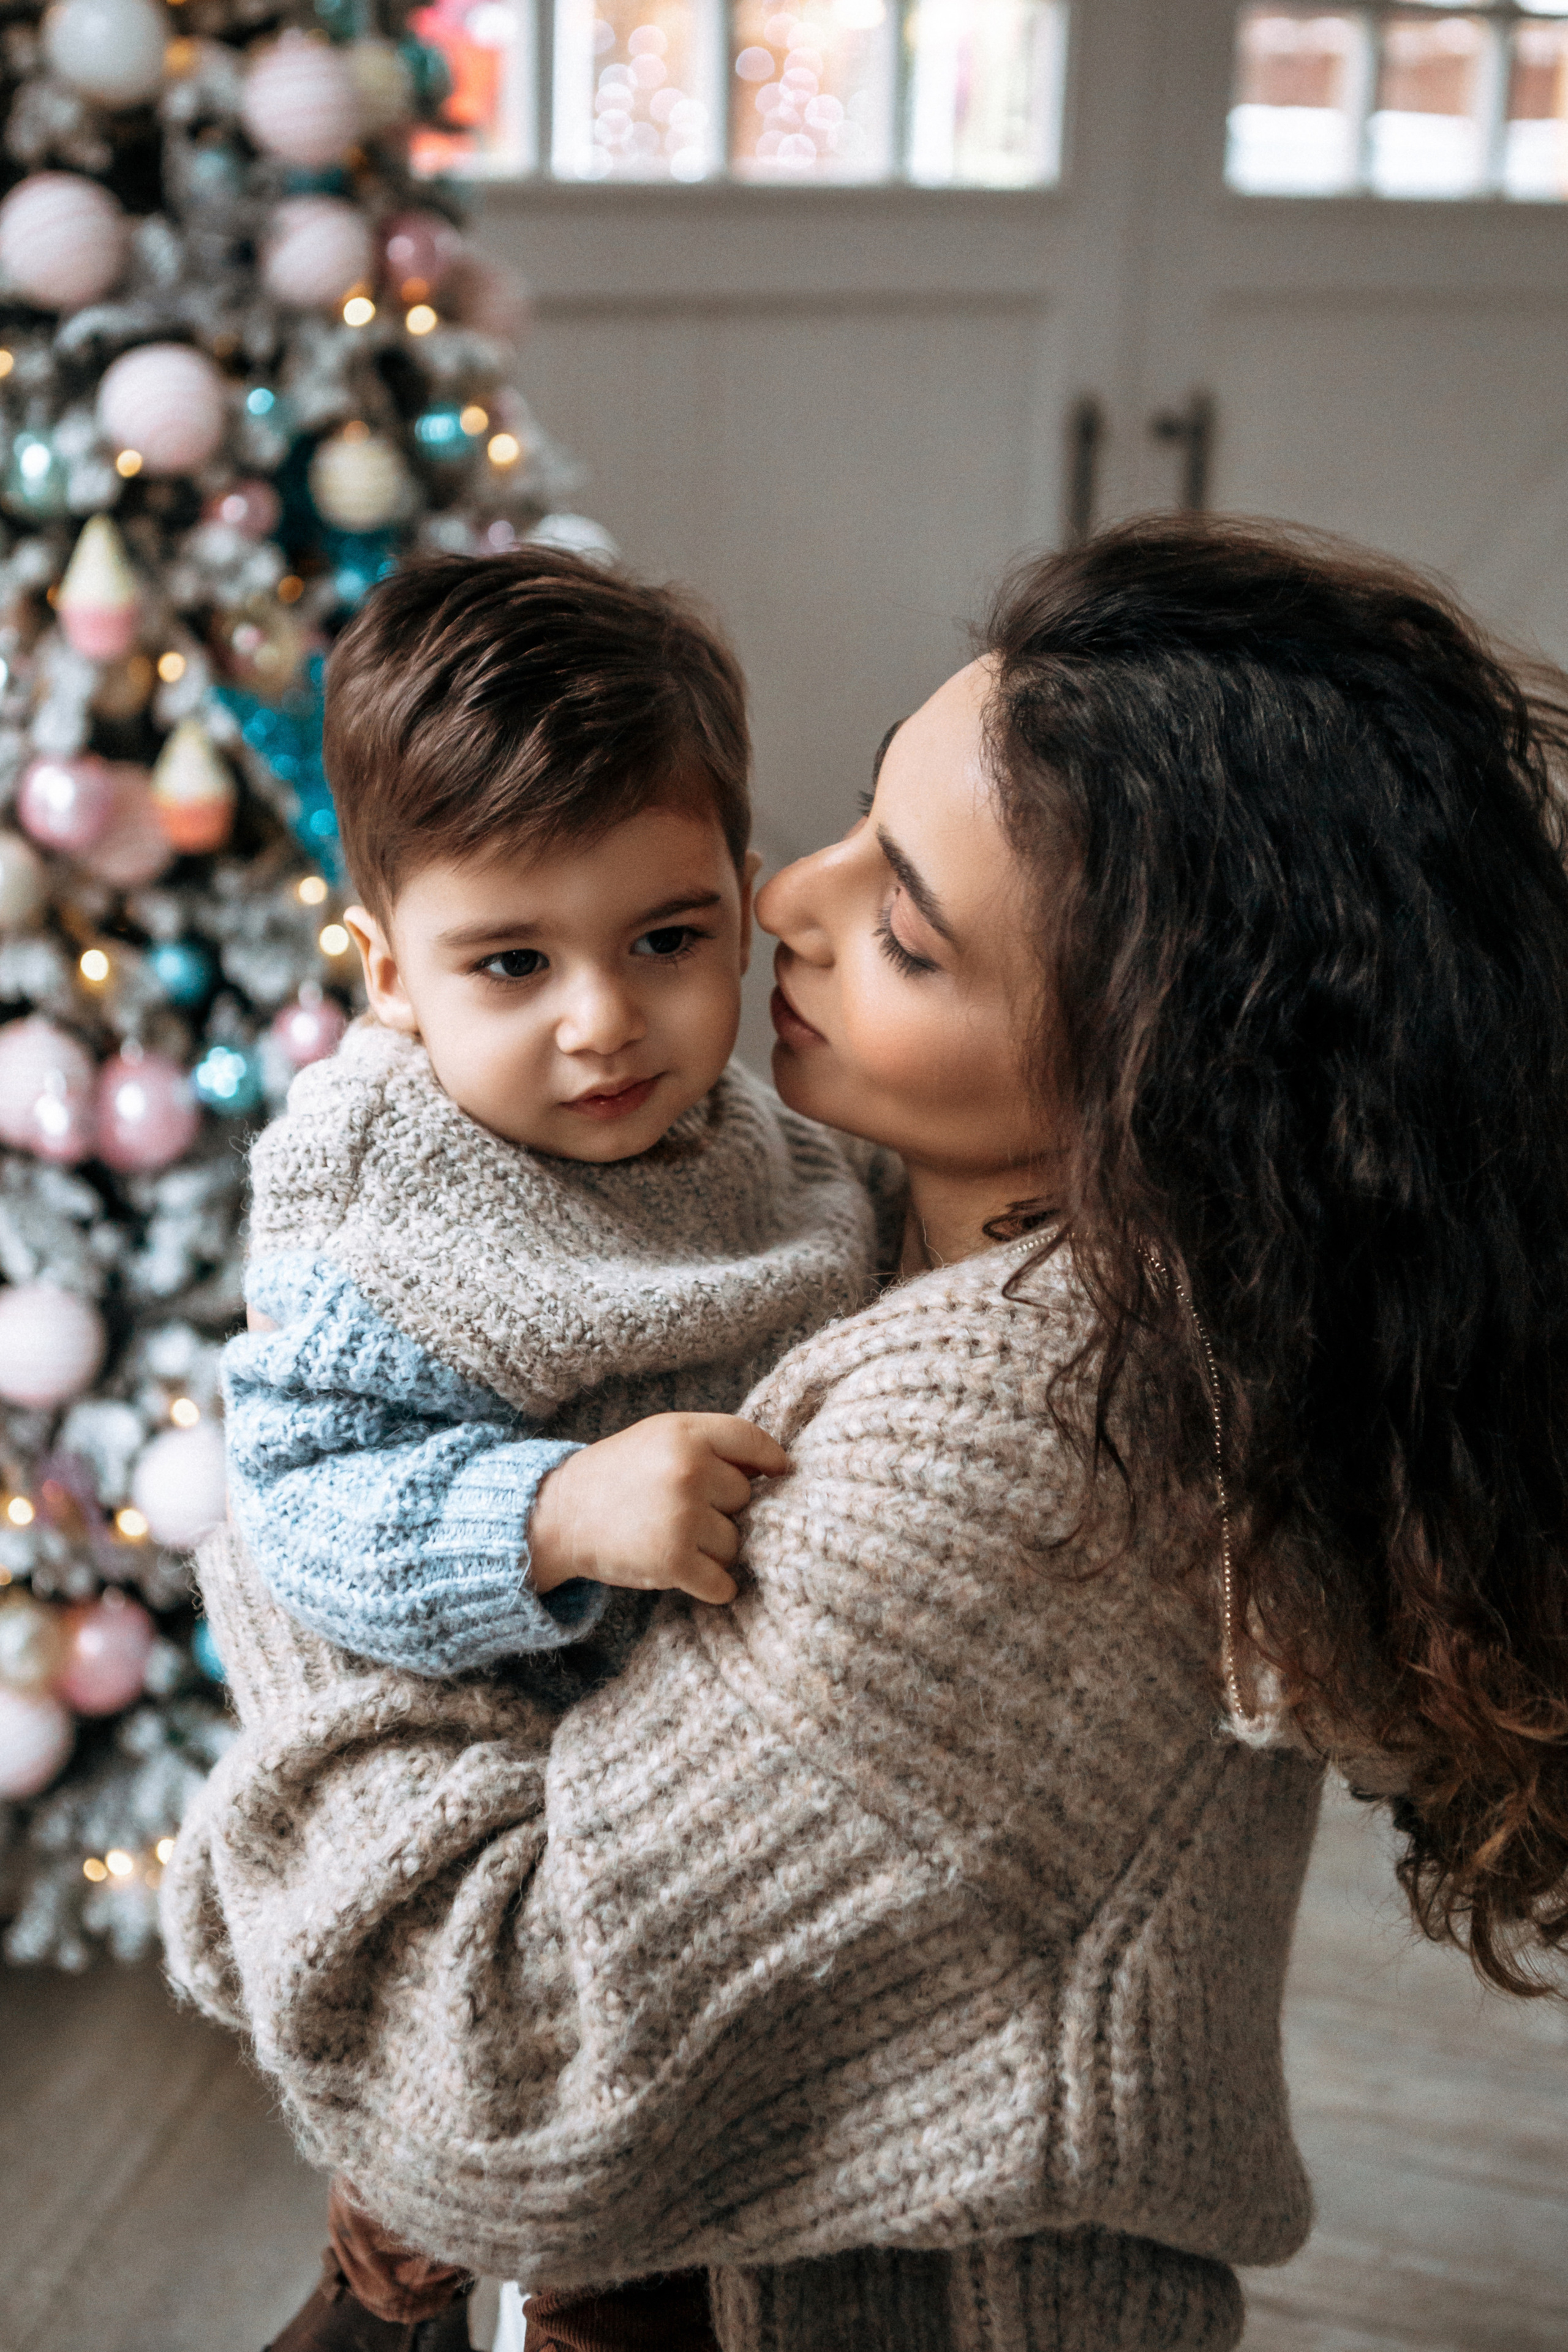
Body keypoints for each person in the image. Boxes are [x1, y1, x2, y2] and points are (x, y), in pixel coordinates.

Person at [166, 518, 1568, 2352]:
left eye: (904, 927)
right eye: (849, 819)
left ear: (1163, 1073)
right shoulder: (899, 1225)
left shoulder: (1016, 1444)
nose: (782, 910)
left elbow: (493, 2082)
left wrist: (265, 1542)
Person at [226, 547, 892, 2352]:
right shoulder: (396, 1214)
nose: (604, 1020)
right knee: (515, 2254)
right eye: (511, 962)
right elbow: (300, 1502)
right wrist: (545, 1507)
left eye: (667, 940)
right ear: (387, 973)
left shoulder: (773, 1148)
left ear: (742, 912)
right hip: (502, 1823)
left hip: (733, 1807)